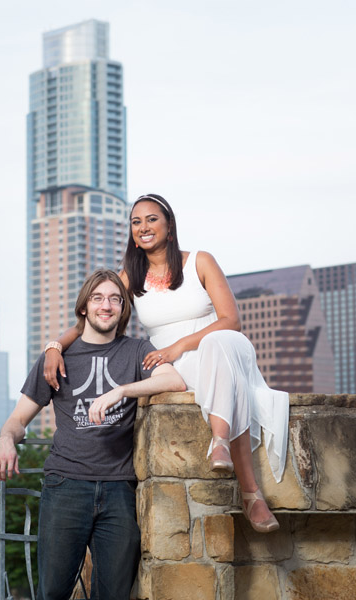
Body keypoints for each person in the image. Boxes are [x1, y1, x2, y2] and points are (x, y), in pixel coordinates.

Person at [44, 194, 289, 533]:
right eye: (136, 222)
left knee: (221, 344)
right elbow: (93, 316)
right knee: (222, 376)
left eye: (152, 219)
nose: (143, 227)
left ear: (169, 226)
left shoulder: (200, 261)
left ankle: (224, 448)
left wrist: (180, 346)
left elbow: (231, 319)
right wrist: (54, 347)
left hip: (217, 347)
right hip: (170, 363)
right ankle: (249, 491)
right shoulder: (130, 275)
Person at [0, 269, 185, 600]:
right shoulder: (56, 359)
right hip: (66, 486)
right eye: (98, 298)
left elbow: (174, 381)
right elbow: (18, 419)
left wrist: (121, 390)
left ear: (123, 309)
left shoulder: (137, 350)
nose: (106, 305)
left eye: (115, 299)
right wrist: (6, 440)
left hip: (118, 491)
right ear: (84, 308)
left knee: (113, 594)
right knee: (53, 591)